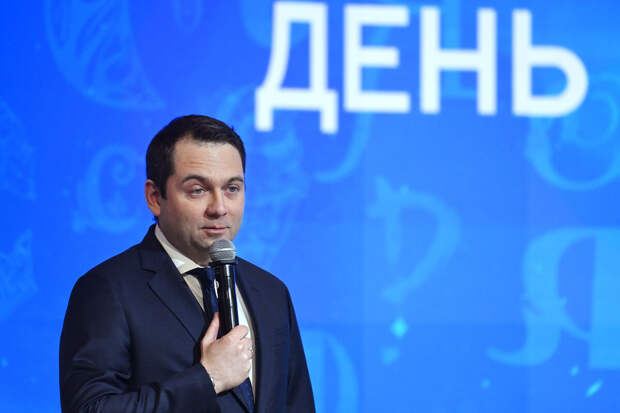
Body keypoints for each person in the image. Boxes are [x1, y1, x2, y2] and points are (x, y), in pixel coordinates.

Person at [59, 115, 315, 413]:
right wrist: (208, 378)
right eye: (198, 190)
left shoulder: (271, 292)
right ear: (155, 197)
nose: (219, 208)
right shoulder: (108, 289)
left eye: (232, 188)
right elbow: (90, 408)